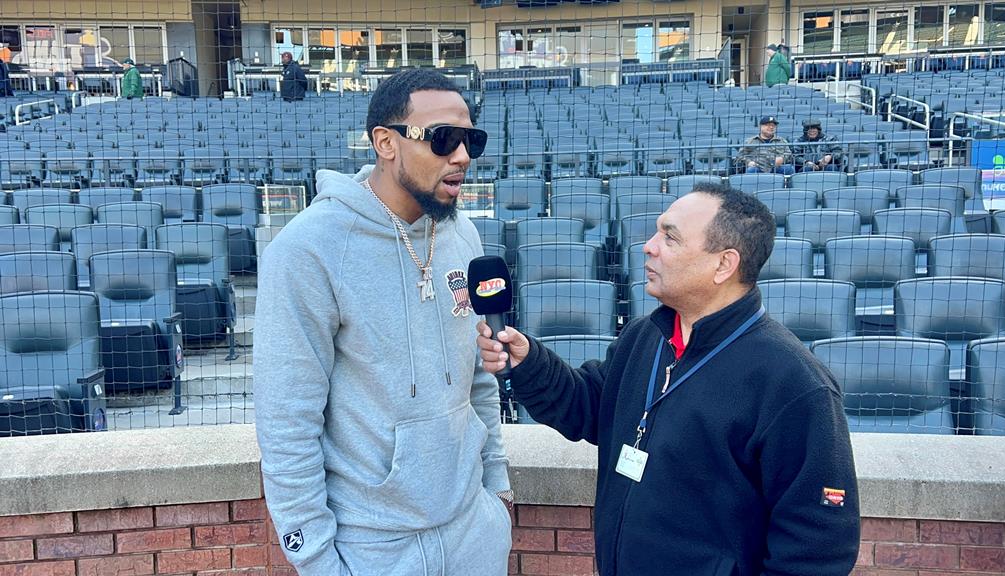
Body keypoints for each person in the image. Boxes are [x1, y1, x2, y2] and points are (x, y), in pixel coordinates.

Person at [477, 182, 860, 576]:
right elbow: (591, 407)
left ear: (724, 264)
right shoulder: (646, 336)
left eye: (670, 238)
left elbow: (817, 550)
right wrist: (528, 362)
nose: (649, 246)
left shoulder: (795, 384)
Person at [254, 68, 512, 576]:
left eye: (471, 140)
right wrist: (318, 562)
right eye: (443, 140)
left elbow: (479, 376)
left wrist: (497, 492)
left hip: (472, 536)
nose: (461, 157)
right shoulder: (308, 251)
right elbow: (287, 423)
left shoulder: (463, 238)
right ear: (385, 143)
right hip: (371, 549)